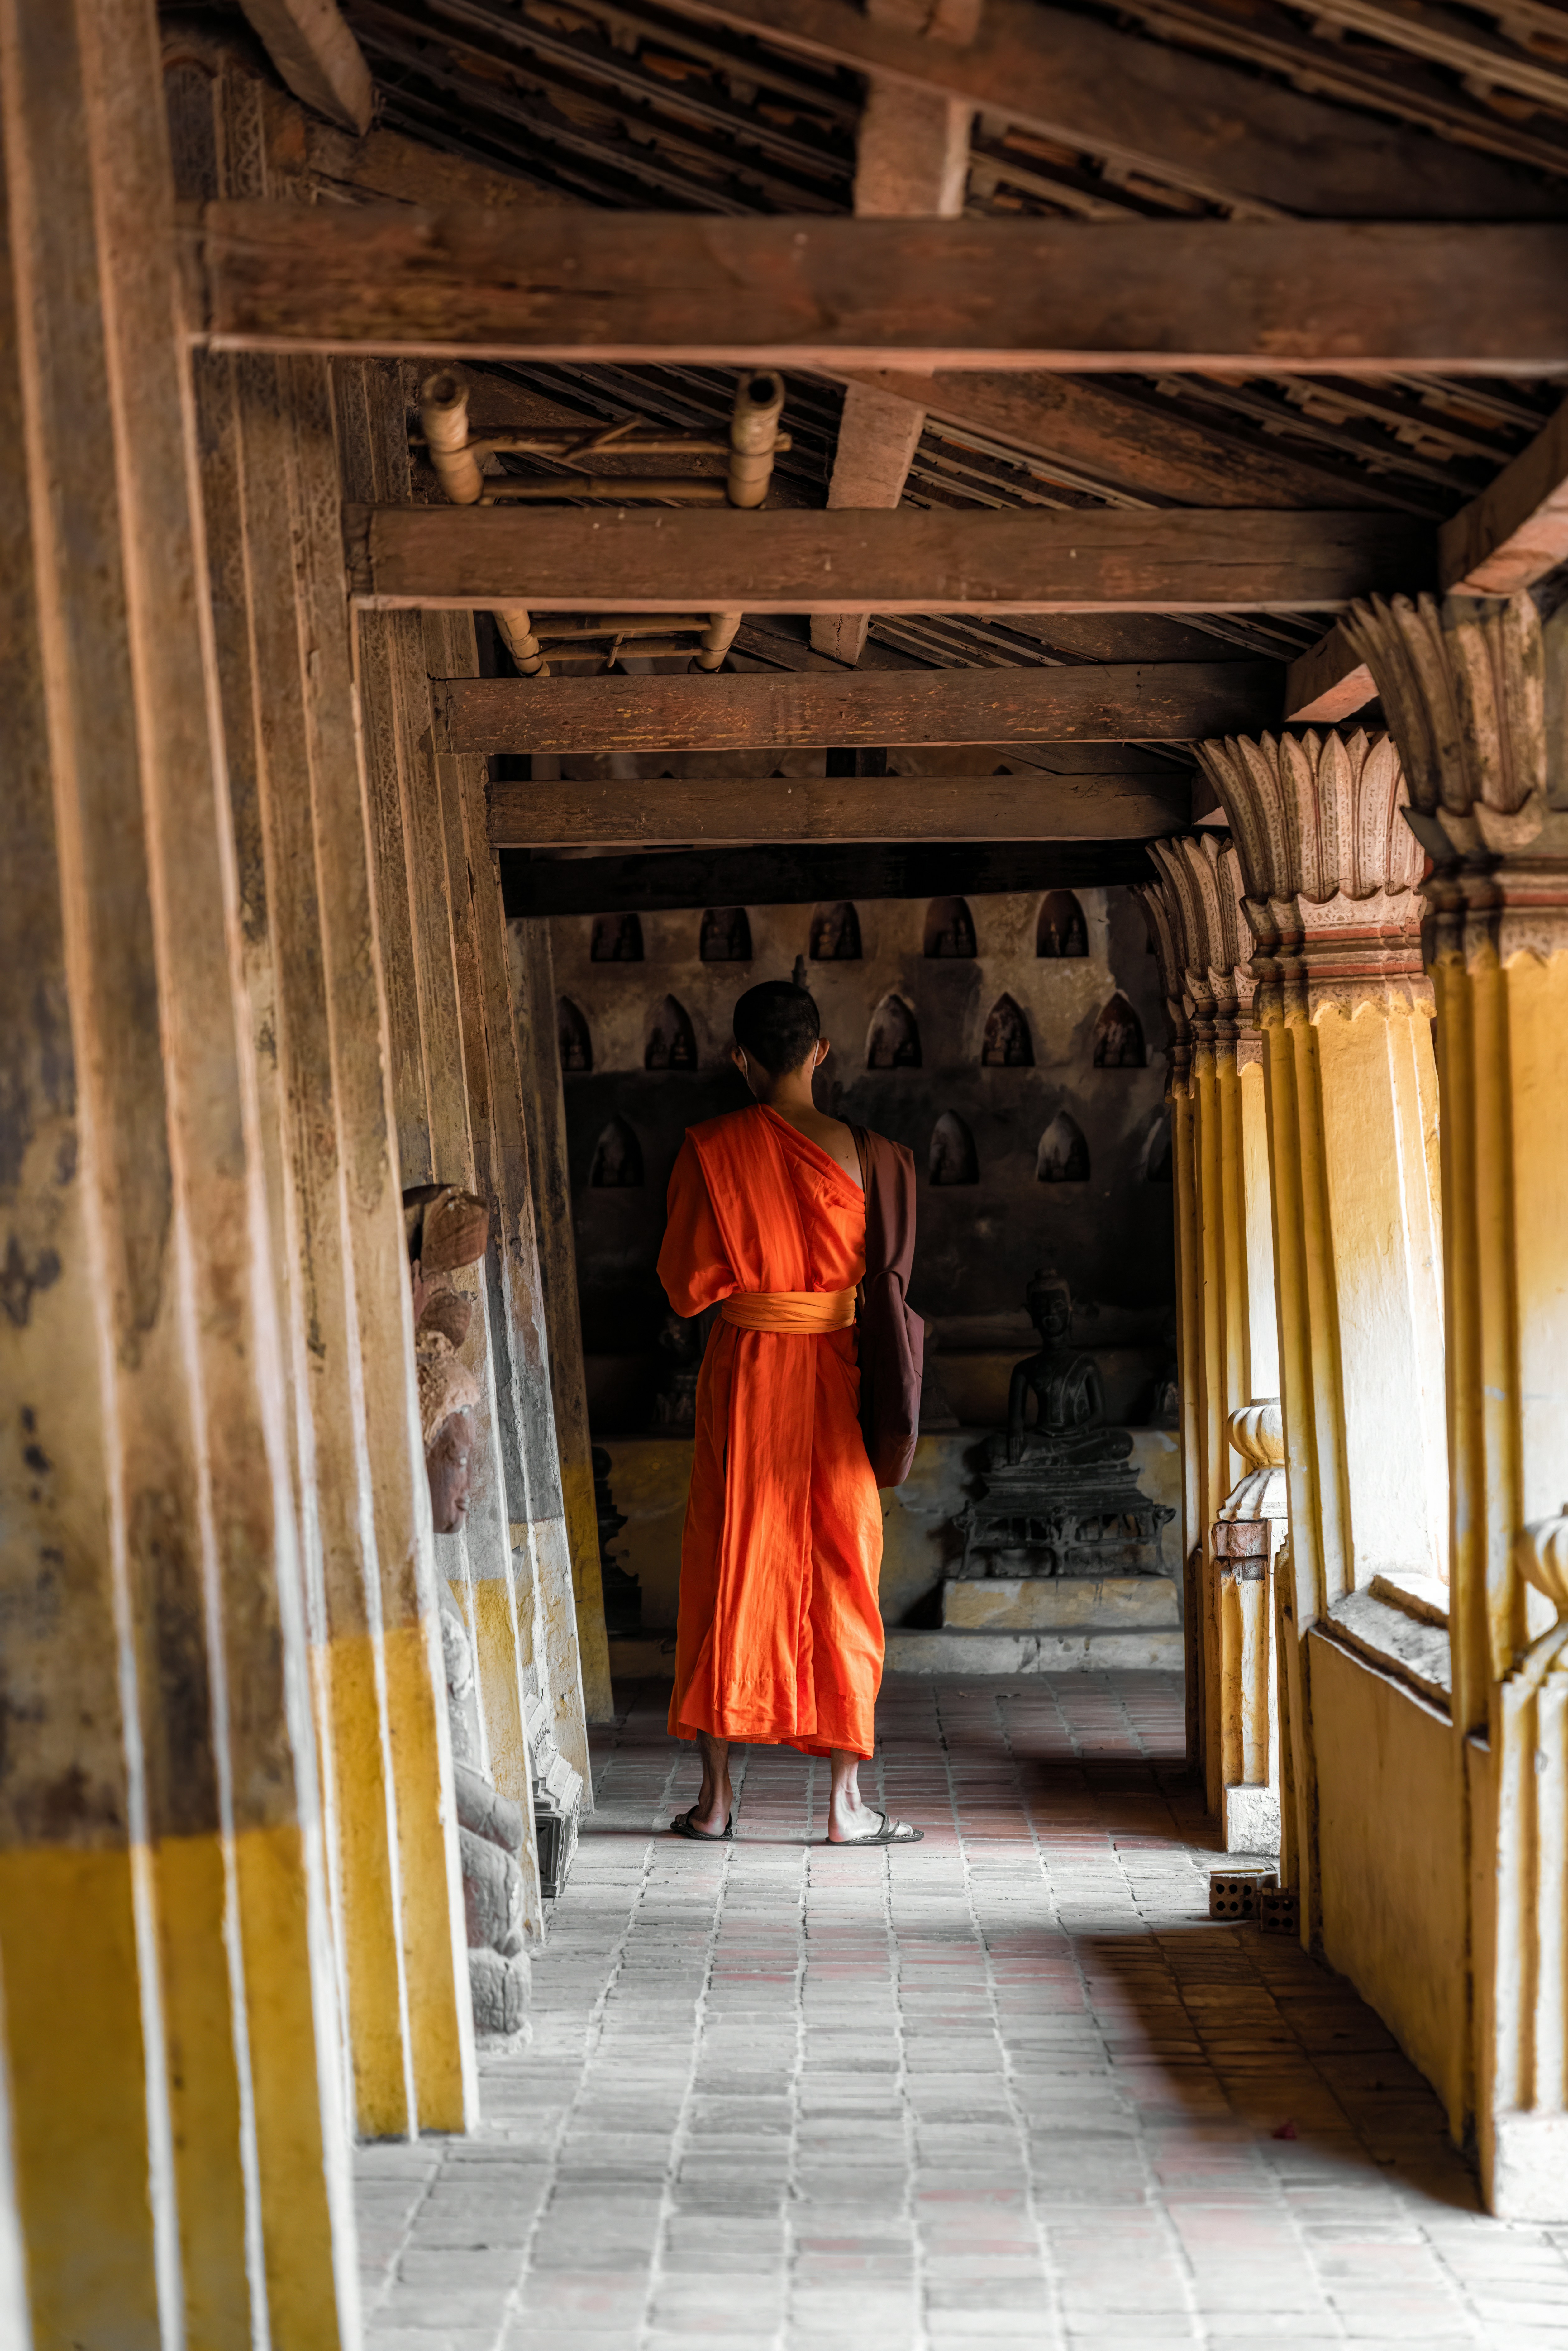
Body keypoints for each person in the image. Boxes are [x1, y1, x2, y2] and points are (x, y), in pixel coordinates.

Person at [656, 980, 922, 1848]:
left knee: (731, 1561)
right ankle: (846, 1806)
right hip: (840, 1379)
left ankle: (716, 1801)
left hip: (747, 1380)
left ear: (740, 1058)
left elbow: (688, 1288)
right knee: (846, 1567)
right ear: (820, 1052)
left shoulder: (711, 1148)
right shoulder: (873, 1156)